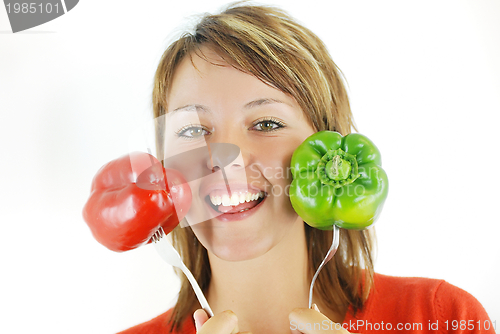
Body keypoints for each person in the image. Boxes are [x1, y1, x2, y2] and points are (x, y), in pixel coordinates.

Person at [118, 3, 494, 334]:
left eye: (266, 123)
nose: (226, 159)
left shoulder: (439, 319)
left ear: (327, 148)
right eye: (194, 130)